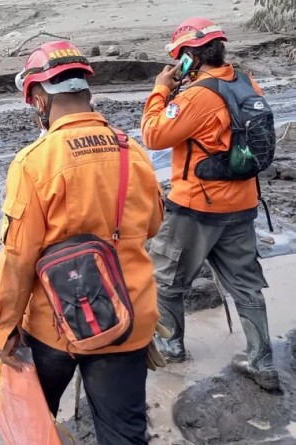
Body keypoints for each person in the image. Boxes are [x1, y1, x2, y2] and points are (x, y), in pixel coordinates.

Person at [0, 41, 163, 444]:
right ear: (86, 92)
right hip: (126, 319)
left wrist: (6, 328)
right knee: (124, 434)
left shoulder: (33, 162)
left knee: (33, 427)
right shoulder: (132, 151)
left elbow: (18, 258)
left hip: (55, 327)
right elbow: (153, 223)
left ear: (37, 99)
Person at [141, 17, 280, 391]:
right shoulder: (248, 82)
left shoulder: (197, 96)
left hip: (197, 207)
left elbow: (153, 134)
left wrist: (159, 90)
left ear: (189, 57)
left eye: (180, 58)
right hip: (243, 202)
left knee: (167, 279)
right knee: (247, 285)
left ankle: (171, 349)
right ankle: (262, 362)